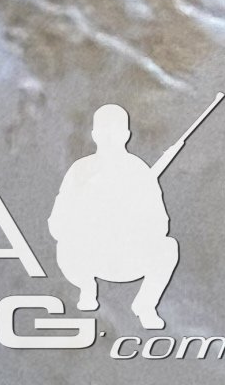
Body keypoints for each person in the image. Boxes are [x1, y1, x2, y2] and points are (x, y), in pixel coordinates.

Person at [52, 105, 182, 329]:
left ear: (127, 135)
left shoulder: (139, 173)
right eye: (104, 131)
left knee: (168, 248)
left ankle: (146, 305)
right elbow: (58, 222)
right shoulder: (81, 170)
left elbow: (160, 224)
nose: (110, 137)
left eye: (116, 131)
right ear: (95, 135)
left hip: (127, 256)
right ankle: (86, 289)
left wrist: (132, 219)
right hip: (89, 256)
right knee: (66, 246)